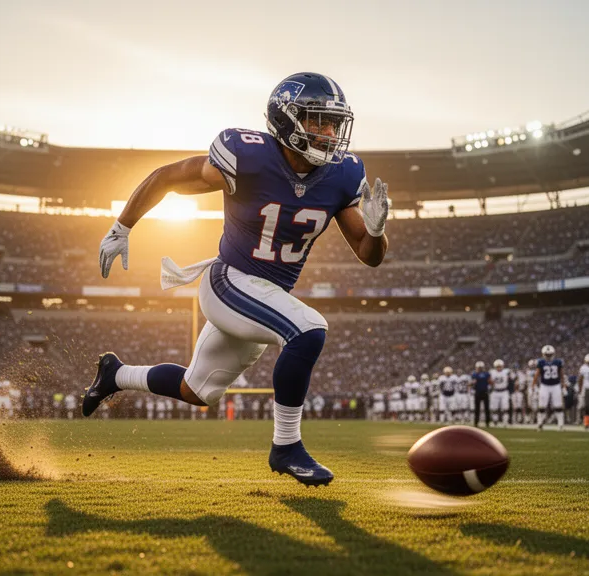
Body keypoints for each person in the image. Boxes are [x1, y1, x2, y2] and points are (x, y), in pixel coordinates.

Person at [81, 72, 389, 486]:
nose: (330, 134)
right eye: (318, 121)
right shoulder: (247, 156)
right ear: (287, 118)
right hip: (228, 281)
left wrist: (376, 230)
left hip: (264, 296)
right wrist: (122, 226)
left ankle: (115, 374)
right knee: (308, 329)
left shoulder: (342, 175)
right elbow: (168, 177)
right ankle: (286, 447)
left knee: (197, 390)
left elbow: (369, 256)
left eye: (334, 124)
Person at [534, 345, 566, 431]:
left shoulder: (558, 362)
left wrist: (563, 385)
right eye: (547, 354)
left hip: (556, 385)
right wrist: (533, 385)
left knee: (558, 405)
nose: (548, 356)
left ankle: (560, 425)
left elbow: (561, 374)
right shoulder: (540, 362)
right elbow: (537, 374)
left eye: (550, 354)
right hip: (544, 385)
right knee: (542, 406)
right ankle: (540, 423)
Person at [489, 359, 512, 426]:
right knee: (494, 408)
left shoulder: (506, 371)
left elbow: (512, 378)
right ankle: (495, 421)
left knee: (505, 407)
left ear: (503, 366)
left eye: (500, 366)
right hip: (495, 391)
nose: (499, 368)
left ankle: (505, 421)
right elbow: (489, 381)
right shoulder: (492, 372)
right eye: (497, 366)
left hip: (504, 391)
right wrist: (490, 382)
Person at [471, 361, 491, 427]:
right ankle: (476, 422)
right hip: (478, 392)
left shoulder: (486, 374)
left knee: (486, 408)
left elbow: (489, 381)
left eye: (480, 367)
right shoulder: (474, 374)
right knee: (477, 408)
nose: (479, 368)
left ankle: (487, 422)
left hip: (485, 391)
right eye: (479, 367)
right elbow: (473, 383)